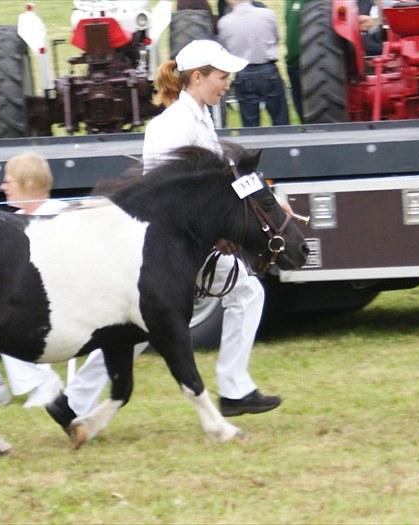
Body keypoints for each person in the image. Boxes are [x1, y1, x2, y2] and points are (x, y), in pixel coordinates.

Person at [46, 40, 281, 431]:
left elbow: (222, 181)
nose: (227, 85)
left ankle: (71, 401)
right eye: (221, 78)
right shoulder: (173, 126)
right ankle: (235, 389)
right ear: (197, 77)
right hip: (172, 243)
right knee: (244, 293)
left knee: (139, 325)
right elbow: (176, 193)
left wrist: (272, 206)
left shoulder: (199, 117)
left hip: (186, 241)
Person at [0, 151, 64, 409]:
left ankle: (42, 384)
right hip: (29, 293)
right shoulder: (12, 220)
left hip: (60, 299)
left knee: (4, 313)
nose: (2, 187)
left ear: (28, 184)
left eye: (8, 181)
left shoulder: (59, 216)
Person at [217, 0, 289, 127]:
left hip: (243, 74)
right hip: (268, 70)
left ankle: (254, 147)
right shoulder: (268, 14)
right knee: (281, 120)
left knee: (250, 125)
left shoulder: (224, 23)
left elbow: (224, 49)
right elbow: (276, 39)